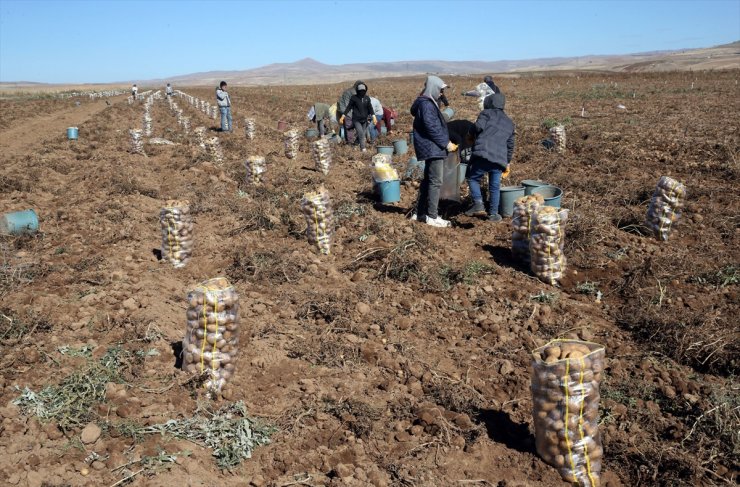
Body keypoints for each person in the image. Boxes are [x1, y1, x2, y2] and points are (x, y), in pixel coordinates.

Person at [410, 75, 458, 228]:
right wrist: (446, 143)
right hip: (433, 147)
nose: (441, 93)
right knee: (435, 181)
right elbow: (432, 127)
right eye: (440, 90)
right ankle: (432, 216)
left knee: (428, 181)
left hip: (431, 146)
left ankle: (419, 213)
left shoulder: (427, 103)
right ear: (433, 88)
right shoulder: (427, 105)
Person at [464, 93, 515, 222]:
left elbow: (478, 126)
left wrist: (470, 133)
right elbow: (510, 145)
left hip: (484, 153)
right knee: (494, 186)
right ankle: (493, 214)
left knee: (472, 178)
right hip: (499, 159)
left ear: (490, 103)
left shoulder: (486, 113)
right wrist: (507, 162)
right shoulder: (509, 122)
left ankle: (478, 204)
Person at [340, 82, 375, 152]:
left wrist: (374, 116)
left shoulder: (367, 98)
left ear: (365, 91)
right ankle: (363, 148)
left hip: (364, 120)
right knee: (361, 133)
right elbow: (348, 107)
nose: (362, 92)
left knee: (363, 133)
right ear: (358, 91)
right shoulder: (354, 98)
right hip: (356, 120)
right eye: (360, 91)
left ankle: (355, 144)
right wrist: (343, 116)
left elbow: (370, 108)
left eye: (363, 91)